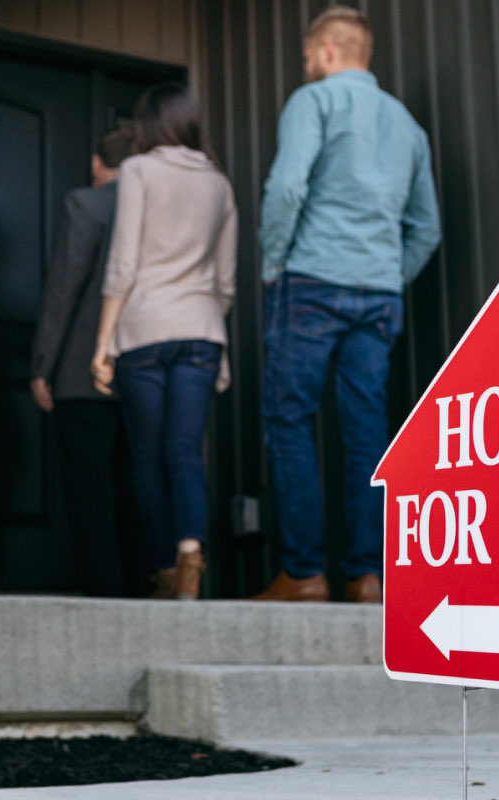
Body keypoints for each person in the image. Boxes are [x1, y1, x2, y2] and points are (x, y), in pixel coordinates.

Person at [253, 6, 442, 603]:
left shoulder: (314, 102)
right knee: (368, 434)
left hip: (309, 282)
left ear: (329, 52)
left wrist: (274, 262)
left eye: (309, 57)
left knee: (289, 421)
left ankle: (305, 573)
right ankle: (367, 576)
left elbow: (287, 186)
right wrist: (387, 274)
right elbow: (427, 228)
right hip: (377, 297)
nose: (307, 67)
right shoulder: (409, 128)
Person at [91, 83, 238, 601]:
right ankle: (191, 552)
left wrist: (103, 340)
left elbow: (124, 263)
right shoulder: (219, 184)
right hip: (201, 333)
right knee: (185, 452)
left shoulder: (138, 171)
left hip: (144, 332)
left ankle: (162, 570)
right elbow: (225, 282)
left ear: (149, 124)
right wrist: (209, 328)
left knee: (149, 456)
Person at [29, 126, 147, 598]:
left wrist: (42, 365)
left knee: (90, 490)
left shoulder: (87, 204)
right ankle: (140, 586)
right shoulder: (154, 209)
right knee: (134, 489)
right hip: (144, 369)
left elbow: (64, 289)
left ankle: (102, 591)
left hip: (82, 372)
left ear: (99, 164)